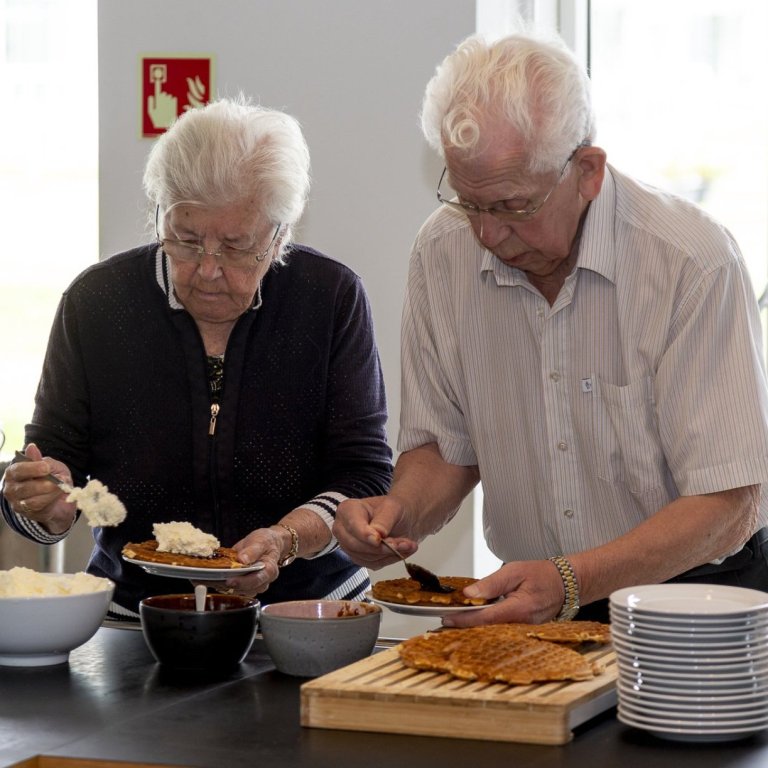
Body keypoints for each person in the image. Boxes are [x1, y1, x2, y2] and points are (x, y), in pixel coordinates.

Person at [332, 29, 768, 626]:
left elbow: (728, 500)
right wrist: (396, 514)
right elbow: (444, 450)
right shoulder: (442, 251)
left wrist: (571, 579)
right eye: (469, 203)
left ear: (587, 171)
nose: (487, 235)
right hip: (538, 603)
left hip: (697, 599)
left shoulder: (689, 261)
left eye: (514, 207)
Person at [1, 96, 393, 621]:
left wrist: (286, 539)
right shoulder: (96, 303)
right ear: (158, 216)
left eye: (235, 246)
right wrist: (40, 505)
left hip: (310, 614)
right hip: (134, 617)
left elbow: (364, 475)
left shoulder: (329, 299)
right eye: (184, 240)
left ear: (280, 237)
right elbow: (53, 466)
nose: (207, 269)